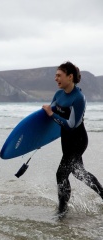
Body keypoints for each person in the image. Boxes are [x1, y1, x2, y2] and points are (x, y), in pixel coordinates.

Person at [42, 61, 103, 215]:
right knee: (78, 172)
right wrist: (38, 139)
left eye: (59, 75)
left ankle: (62, 209)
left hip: (78, 140)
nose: (56, 78)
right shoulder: (58, 94)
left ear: (70, 77)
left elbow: (71, 124)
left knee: (61, 173)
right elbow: (51, 117)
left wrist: (51, 114)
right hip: (66, 140)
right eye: (55, 75)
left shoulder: (78, 98)